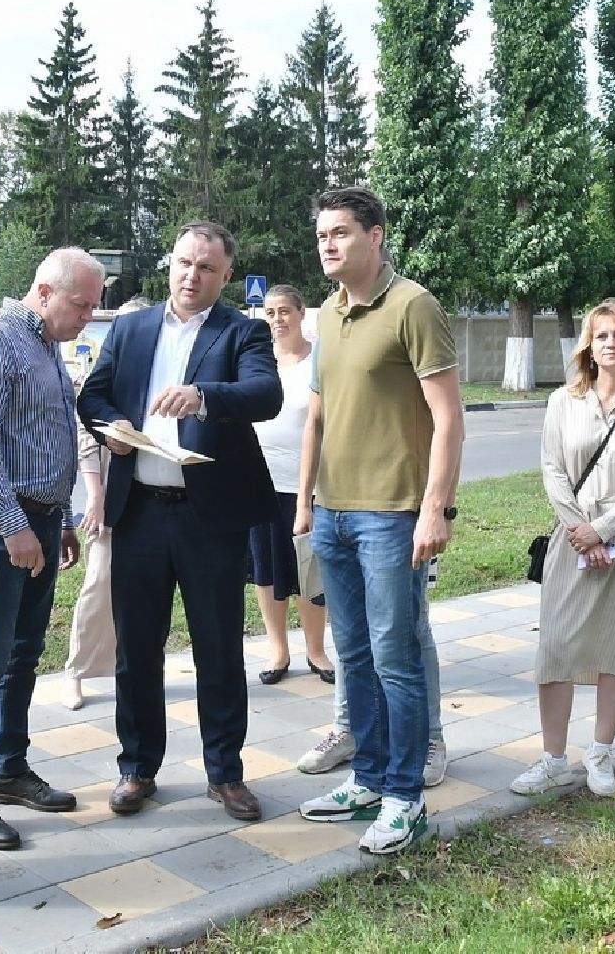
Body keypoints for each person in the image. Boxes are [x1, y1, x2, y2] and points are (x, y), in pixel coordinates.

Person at [77, 221, 282, 823]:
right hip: (139, 510)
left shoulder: (242, 331)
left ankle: (226, 773)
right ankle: (137, 767)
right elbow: (95, 396)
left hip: (209, 518)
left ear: (225, 276)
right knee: (136, 648)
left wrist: (203, 395)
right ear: (171, 264)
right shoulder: (131, 326)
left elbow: (265, 394)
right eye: (185, 263)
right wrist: (111, 428)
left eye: (207, 268)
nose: (193, 276)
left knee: (218, 647)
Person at [296, 187, 464, 856]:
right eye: (321, 236)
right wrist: (304, 500)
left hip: (393, 517)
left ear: (376, 236)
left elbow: (448, 419)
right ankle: (366, 779)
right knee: (355, 655)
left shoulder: (413, 306)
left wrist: (435, 509)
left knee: (397, 657)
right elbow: (317, 415)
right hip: (334, 514)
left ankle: (404, 798)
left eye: (340, 232)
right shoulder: (328, 316)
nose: (328, 245)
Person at [0, 248, 105, 849]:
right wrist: (14, 527)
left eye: (95, 304)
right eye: (81, 303)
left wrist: (59, 520)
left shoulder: (44, 346)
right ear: (43, 290)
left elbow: (46, 439)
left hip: (37, 522)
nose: (89, 315)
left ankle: (7, 767)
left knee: (22, 655)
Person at [509, 299, 615, 800]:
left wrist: (603, 529)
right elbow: (552, 470)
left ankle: (600, 752)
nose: (610, 344)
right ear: (588, 345)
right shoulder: (564, 402)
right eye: (601, 336)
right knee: (556, 647)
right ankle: (553, 758)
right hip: (571, 537)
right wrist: (582, 528)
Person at [60, 296, 150, 711]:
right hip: (111, 500)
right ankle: (76, 672)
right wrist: (95, 499)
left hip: (152, 501)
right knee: (98, 586)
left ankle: (130, 669)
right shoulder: (102, 377)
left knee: (143, 595)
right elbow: (86, 441)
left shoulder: (159, 371)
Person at [250, 284, 332, 685]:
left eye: (284, 311)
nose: (278, 320)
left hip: (308, 487)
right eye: (270, 312)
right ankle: (277, 649)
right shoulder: (257, 362)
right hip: (259, 485)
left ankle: (316, 650)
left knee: (308, 569)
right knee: (267, 570)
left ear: (301, 314)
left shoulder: (318, 362)